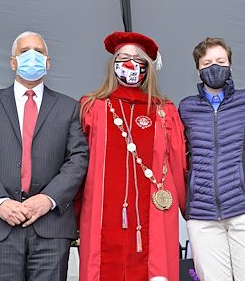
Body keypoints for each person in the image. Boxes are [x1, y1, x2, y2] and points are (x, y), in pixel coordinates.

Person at [0, 31, 88, 281]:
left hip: (50, 228)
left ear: (48, 62)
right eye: (24, 51)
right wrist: (0, 203)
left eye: (39, 52)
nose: (32, 57)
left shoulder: (69, 107)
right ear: (12, 62)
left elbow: (78, 159)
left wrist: (48, 199)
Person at [77, 31, 186, 281]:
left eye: (137, 59)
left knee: (155, 266)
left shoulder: (164, 111)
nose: (129, 63)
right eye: (123, 57)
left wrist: (188, 208)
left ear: (147, 67)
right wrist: (73, 211)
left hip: (154, 214)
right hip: (102, 213)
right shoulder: (93, 107)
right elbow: (77, 164)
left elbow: (179, 162)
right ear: (112, 64)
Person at [179, 37, 245, 281]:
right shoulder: (186, 108)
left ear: (229, 65)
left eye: (220, 61)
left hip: (241, 208)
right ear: (198, 68)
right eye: (207, 63)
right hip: (202, 214)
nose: (214, 67)